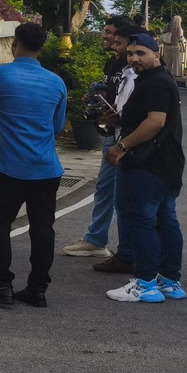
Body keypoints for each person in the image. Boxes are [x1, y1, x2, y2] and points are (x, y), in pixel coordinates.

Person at [0, 21, 69, 308]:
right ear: (42, 47)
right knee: (43, 228)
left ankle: (1, 286)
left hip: (8, 167)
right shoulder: (56, 82)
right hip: (46, 168)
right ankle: (37, 289)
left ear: (15, 43)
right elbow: (57, 125)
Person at [104, 34, 187, 303]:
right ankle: (169, 282)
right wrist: (121, 118)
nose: (133, 58)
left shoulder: (156, 82)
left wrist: (121, 147)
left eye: (140, 53)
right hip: (165, 163)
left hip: (147, 163)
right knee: (164, 221)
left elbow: (155, 122)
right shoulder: (158, 80)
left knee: (142, 221)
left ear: (156, 54)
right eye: (130, 54)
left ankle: (145, 283)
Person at [64, 15, 138, 268]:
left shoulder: (139, 71)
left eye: (113, 36)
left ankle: (132, 252)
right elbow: (114, 93)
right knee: (106, 188)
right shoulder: (114, 63)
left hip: (130, 138)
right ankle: (96, 240)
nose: (108, 39)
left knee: (129, 194)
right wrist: (99, 96)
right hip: (114, 135)